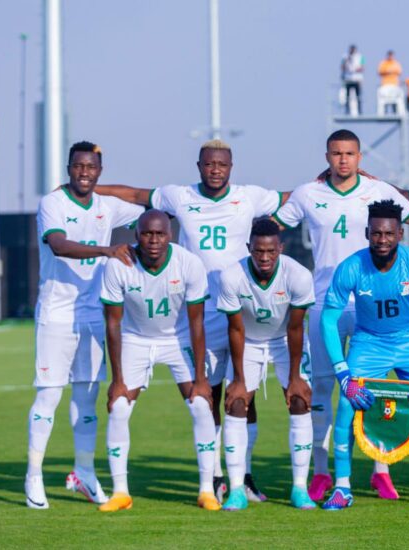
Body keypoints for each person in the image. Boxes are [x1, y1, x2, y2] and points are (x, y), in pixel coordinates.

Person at [94, 139, 282, 503]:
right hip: (204, 311)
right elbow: (134, 193)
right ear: (199, 166)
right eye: (209, 164)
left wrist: (329, 179)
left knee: (245, 394)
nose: (215, 170)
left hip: (242, 307)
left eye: (222, 164)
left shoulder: (250, 196)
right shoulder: (178, 196)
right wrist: (87, 188)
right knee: (208, 394)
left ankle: (243, 475)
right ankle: (213, 479)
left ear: (231, 167)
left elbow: (291, 200)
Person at [274, 129, 409, 501]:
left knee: (376, 386)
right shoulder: (307, 193)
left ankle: (381, 469)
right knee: (324, 388)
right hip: (323, 303)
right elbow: (270, 228)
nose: (343, 160)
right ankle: (321, 472)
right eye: (336, 153)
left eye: (350, 153)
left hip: (370, 306)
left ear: (361, 157)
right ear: (326, 156)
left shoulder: (380, 192)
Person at [319, 200, 409, 510]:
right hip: (369, 343)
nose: (381, 240)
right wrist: (343, 373)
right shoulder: (351, 267)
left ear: (399, 233)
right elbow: (328, 320)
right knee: (346, 403)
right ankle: (343, 487)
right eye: (375, 234)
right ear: (367, 233)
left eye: (388, 234)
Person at [25, 141, 144, 509]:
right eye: (78, 166)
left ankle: (84, 473)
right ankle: (33, 475)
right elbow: (59, 246)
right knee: (49, 395)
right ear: (68, 168)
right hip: (57, 314)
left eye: (91, 167)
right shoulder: (53, 203)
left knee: (87, 397)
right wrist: (108, 250)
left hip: (94, 315)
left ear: (99, 171)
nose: (84, 172)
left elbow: (152, 205)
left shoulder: (107, 205)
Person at [99, 210, 219, 512]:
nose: (153, 240)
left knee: (202, 405)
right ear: (136, 235)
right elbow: (112, 324)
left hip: (177, 339)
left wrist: (202, 379)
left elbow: (196, 323)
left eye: (160, 234)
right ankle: (120, 492)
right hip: (136, 339)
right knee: (119, 407)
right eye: (146, 234)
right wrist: (117, 379)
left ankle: (207, 490)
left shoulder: (189, 263)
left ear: (170, 235)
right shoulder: (119, 264)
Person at [215, 218, 317, 510]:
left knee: (299, 401)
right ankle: (236, 489)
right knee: (236, 403)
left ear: (280, 249)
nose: (264, 257)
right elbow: (235, 329)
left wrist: (295, 377)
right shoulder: (231, 276)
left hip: (286, 340)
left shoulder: (297, 276)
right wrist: (238, 378)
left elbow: (297, 328)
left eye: (271, 251)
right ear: (249, 248)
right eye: (258, 251)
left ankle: (299, 488)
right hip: (246, 341)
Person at [341, 45, 364, 115]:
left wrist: (354, 69)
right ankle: (347, 110)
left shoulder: (360, 57)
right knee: (347, 96)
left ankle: (360, 111)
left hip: (357, 79)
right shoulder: (345, 56)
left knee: (358, 96)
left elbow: (362, 68)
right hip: (348, 79)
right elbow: (342, 67)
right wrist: (347, 61)